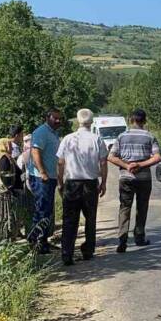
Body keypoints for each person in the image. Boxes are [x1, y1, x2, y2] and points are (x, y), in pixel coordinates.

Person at [56, 108, 108, 266]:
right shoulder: (97, 139)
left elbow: (60, 162)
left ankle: (67, 253)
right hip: (90, 184)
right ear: (91, 122)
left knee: (69, 220)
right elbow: (103, 162)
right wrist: (104, 182)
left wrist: (60, 182)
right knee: (90, 219)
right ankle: (88, 250)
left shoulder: (68, 139)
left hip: (72, 183)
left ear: (78, 121)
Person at [107, 109, 161, 252]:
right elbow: (157, 157)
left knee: (125, 207)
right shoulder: (150, 137)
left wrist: (127, 166)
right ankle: (139, 237)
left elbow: (111, 157)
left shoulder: (121, 136)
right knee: (142, 208)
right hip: (144, 178)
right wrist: (140, 165)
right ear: (144, 121)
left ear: (131, 120)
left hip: (126, 177)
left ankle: (122, 240)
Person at [27, 108, 63, 254]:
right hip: (41, 177)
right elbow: (35, 152)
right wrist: (43, 173)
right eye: (55, 118)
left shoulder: (53, 133)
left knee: (47, 211)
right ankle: (36, 242)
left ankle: (43, 241)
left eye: (60, 118)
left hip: (50, 177)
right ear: (47, 117)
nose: (58, 121)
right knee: (42, 210)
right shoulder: (41, 132)